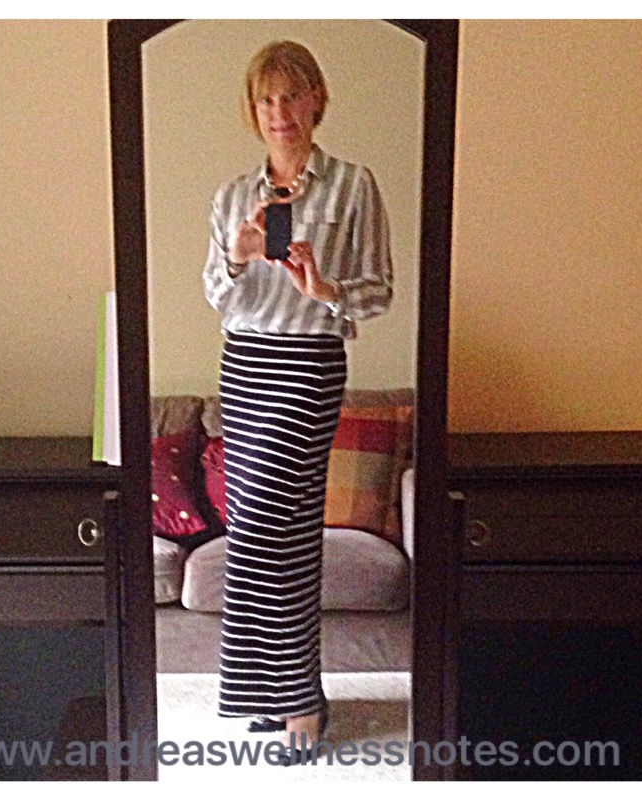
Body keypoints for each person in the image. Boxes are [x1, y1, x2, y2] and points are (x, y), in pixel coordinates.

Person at [202, 40, 392, 762]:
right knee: (266, 527)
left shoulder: (353, 184)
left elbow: (379, 290)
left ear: (316, 99)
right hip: (244, 364)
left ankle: (299, 701)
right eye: (266, 99)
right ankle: (277, 694)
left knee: (269, 526)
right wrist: (237, 256)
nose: (279, 111)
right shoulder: (231, 197)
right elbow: (215, 295)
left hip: (309, 361)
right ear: (253, 110)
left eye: (292, 95)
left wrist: (324, 288)